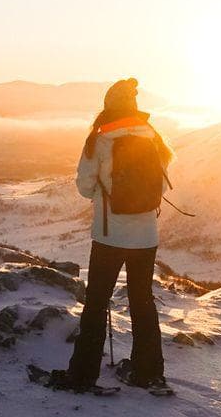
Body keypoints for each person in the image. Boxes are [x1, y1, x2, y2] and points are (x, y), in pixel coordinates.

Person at [57, 78, 174, 393]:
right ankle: (148, 372)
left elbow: (84, 186)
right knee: (142, 302)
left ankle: (82, 375)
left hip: (109, 236)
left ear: (108, 106)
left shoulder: (100, 140)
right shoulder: (154, 139)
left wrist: (103, 195)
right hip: (146, 236)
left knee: (96, 304)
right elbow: (161, 186)